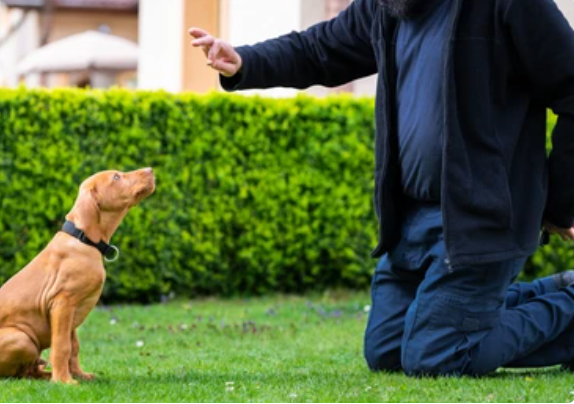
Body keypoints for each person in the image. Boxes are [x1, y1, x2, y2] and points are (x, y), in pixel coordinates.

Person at [189, 0, 574, 376]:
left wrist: (559, 203)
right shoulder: (388, 7)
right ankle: (551, 293)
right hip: (410, 221)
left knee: (434, 357)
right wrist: (245, 62)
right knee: (388, 350)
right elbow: (319, 48)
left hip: (482, 222)